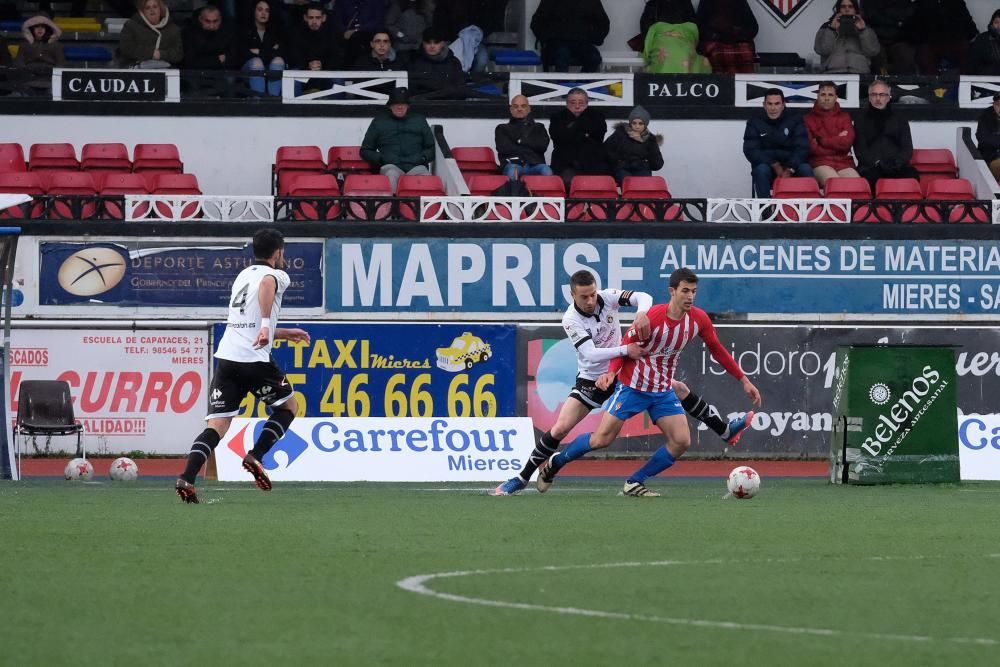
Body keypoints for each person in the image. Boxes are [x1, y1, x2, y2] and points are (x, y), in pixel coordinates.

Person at [493, 269, 755, 496]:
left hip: (626, 371)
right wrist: (625, 351)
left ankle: (723, 430)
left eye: (592, 293)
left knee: (677, 389)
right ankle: (522, 477)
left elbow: (643, 297)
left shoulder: (607, 298)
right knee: (562, 428)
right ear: (572, 296)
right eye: (584, 296)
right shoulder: (571, 320)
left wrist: (641, 313)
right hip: (595, 378)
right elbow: (591, 354)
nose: (590, 300)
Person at [175, 229, 310, 504]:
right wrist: (264, 327)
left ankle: (187, 477)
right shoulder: (276, 275)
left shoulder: (241, 276)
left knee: (217, 427)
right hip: (254, 360)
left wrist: (282, 332)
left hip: (227, 359)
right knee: (288, 407)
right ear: (278, 253)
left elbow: (244, 322)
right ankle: (256, 455)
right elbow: (267, 286)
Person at [360, 86, 435, 191]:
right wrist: (382, 158)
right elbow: (365, 150)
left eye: (403, 104)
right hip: (390, 166)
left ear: (408, 106)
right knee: (391, 174)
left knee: (426, 177)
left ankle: (423, 208)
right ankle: (393, 207)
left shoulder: (419, 120)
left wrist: (422, 158)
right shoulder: (379, 122)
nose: (400, 107)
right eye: (396, 104)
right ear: (390, 106)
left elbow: (431, 148)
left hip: (416, 166)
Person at [743, 88, 813, 197]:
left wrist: (790, 168)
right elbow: (751, 150)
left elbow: (802, 147)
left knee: (805, 169)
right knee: (761, 171)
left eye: (777, 103)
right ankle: (766, 212)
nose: (773, 108)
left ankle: (808, 211)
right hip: (768, 165)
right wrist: (774, 164)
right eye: (769, 104)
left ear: (783, 105)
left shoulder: (795, 119)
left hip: (791, 165)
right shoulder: (754, 121)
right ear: (764, 105)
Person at [853, 80, 919, 190]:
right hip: (871, 168)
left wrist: (896, 163)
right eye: (874, 95)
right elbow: (860, 150)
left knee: (912, 176)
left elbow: (907, 148)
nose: (878, 98)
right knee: (869, 179)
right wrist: (878, 163)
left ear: (889, 97)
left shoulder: (900, 118)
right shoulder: (860, 119)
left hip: (897, 166)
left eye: (882, 95)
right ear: (869, 97)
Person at [549, 88, 610, 189]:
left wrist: (571, 129)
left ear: (587, 103)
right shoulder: (557, 117)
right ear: (567, 103)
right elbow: (558, 137)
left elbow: (599, 136)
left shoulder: (597, 116)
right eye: (573, 103)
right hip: (566, 163)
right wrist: (585, 133)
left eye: (581, 102)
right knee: (566, 182)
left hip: (593, 162)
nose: (577, 106)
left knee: (602, 183)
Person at [804, 81, 860, 189]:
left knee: (857, 186)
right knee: (835, 185)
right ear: (817, 96)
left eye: (830, 95)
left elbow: (846, 143)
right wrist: (837, 141)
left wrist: (821, 141)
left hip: (844, 163)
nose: (826, 98)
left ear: (836, 97)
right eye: (823, 95)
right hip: (820, 163)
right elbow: (813, 148)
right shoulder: (808, 119)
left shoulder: (845, 117)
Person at [530, 0, 609, 73]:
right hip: (557, 42)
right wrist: (548, 37)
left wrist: (593, 37)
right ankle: (562, 87)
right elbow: (536, 22)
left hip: (583, 42)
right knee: (561, 56)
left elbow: (603, 23)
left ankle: (581, 86)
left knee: (594, 58)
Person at [903, 0, 976, 75]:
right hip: (930, 43)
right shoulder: (923, 4)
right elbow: (913, 27)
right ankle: (933, 84)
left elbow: (970, 28)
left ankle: (964, 82)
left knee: (965, 50)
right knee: (924, 53)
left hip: (954, 41)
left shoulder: (957, 3)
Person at [288, 3, 344, 93]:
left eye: (317, 18)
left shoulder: (332, 32)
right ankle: (295, 108)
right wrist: (308, 65)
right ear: (305, 18)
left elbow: (338, 56)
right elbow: (293, 56)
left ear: (324, 18)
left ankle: (338, 108)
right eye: (311, 18)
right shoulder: (297, 32)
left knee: (338, 81)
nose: (314, 21)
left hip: (326, 72)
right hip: (304, 72)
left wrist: (322, 64)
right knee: (293, 80)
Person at [495, 94, 552, 180]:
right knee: (512, 171)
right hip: (513, 165)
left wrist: (519, 142)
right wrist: (530, 144)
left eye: (523, 106)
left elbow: (542, 146)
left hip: (535, 165)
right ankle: (513, 193)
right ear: (511, 110)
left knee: (546, 170)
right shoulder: (502, 128)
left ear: (529, 109)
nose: (519, 109)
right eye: (515, 106)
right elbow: (504, 148)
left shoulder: (539, 127)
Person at [813, 0, 880, 74]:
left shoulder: (865, 26)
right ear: (838, 9)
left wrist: (863, 30)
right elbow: (821, 50)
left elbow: (873, 51)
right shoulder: (827, 26)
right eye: (843, 6)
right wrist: (832, 30)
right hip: (832, 73)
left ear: (855, 9)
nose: (847, 9)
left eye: (850, 6)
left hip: (859, 74)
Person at [234, 0, 285, 97]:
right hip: (248, 70)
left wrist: (259, 51)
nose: (263, 13)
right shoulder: (244, 30)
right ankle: (259, 103)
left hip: (270, 67)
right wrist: (270, 51)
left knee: (278, 61)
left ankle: (272, 102)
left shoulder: (275, 30)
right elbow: (244, 54)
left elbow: (282, 52)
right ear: (254, 11)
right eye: (260, 10)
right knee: (256, 61)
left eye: (267, 10)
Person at [603, 105, 664, 185]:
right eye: (634, 123)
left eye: (640, 123)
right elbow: (606, 150)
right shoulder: (620, 134)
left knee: (643, 183)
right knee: (628, 182)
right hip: (622, 169)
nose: (637, 126)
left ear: (645, 124)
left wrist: (647, 147)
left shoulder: (650, 140)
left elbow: (657, 164)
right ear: (630, 123)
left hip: (642, 170)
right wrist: (618, 162)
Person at [695, 0, 758, 74]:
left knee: (745, 53)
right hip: (715, 40)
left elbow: (753, 27)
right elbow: (700, 28)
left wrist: (736, 34)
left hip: (736, 40)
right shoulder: (707, 2)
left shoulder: (740, 1)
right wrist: (717, 36)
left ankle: (746, 83)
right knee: (716, 54)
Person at [118, 0, 183, 69]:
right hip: (136, 69)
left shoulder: (173, 29)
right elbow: (126, 48)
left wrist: (160, 54)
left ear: (161, 9)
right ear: (142, 12)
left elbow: (178, 54)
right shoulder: (130, 26)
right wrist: (151, 53)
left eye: (155, 7)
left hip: (166, 70)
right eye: (147, 8)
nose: (152, 10)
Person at [406, 25, 466, 100]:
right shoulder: (414, 61)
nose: (432, 46)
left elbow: (460, 90)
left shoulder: (454, 62)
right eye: (428, 42)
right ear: (423, 43)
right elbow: (410, 89)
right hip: (422, 106)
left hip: (448, 106)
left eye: (436, 42)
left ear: (442, 44)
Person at [13, 15, 66, 92]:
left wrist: (54, 75)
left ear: (47, 29)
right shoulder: (25, 45)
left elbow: (61, 63)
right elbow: (19, 61)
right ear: (31, 29)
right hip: (29, 77)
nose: (40, 29)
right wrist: (26, 71)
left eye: (43, 27)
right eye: (36, 27)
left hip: (49, 77)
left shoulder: (56, 45)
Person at [863, 0, 917, 74]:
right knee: (879, 58)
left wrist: (890, 16)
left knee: (904, 55)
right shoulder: (872, 3)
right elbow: (871, 16)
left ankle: (903, 82)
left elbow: (909, 14)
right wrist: (897, 20)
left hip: (900, 37)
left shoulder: (904, 3)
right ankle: (883, 80)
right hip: (877, 38)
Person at [335, 0, 388, 67]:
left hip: (369, 35)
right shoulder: (342, 2)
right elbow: (338, 19)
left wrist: (357, 30)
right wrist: (344, 31)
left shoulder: (377, 2)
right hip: (345, 38)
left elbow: (378, 21)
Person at [182, 5, 233, 71]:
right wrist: (217, 60)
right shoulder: (189, 33)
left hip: (222, 74)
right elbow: (190, 62)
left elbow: (233, 59)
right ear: (200, 19)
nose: (211, 26)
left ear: (220, 19)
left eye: (215, 21)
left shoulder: (228, 32)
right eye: (207, 21)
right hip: (195, 75)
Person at [385, 0, 433, 66]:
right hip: (402, 47)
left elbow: (429, 23)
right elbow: (389, 24)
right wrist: (401, 35)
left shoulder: (424, 5)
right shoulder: (398, 5)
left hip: (419, 47)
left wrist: (421, 37)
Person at [975, 92, 1000, 182]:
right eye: (998, 105)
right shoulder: (986, 115)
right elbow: (982, 139)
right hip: (991, 158)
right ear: (993, 104)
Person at [968, 9, 1000, 75]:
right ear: (992, 23)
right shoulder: (982, 39)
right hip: (986, 82)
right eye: (996, 22)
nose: (999, 26)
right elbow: (972, 67)